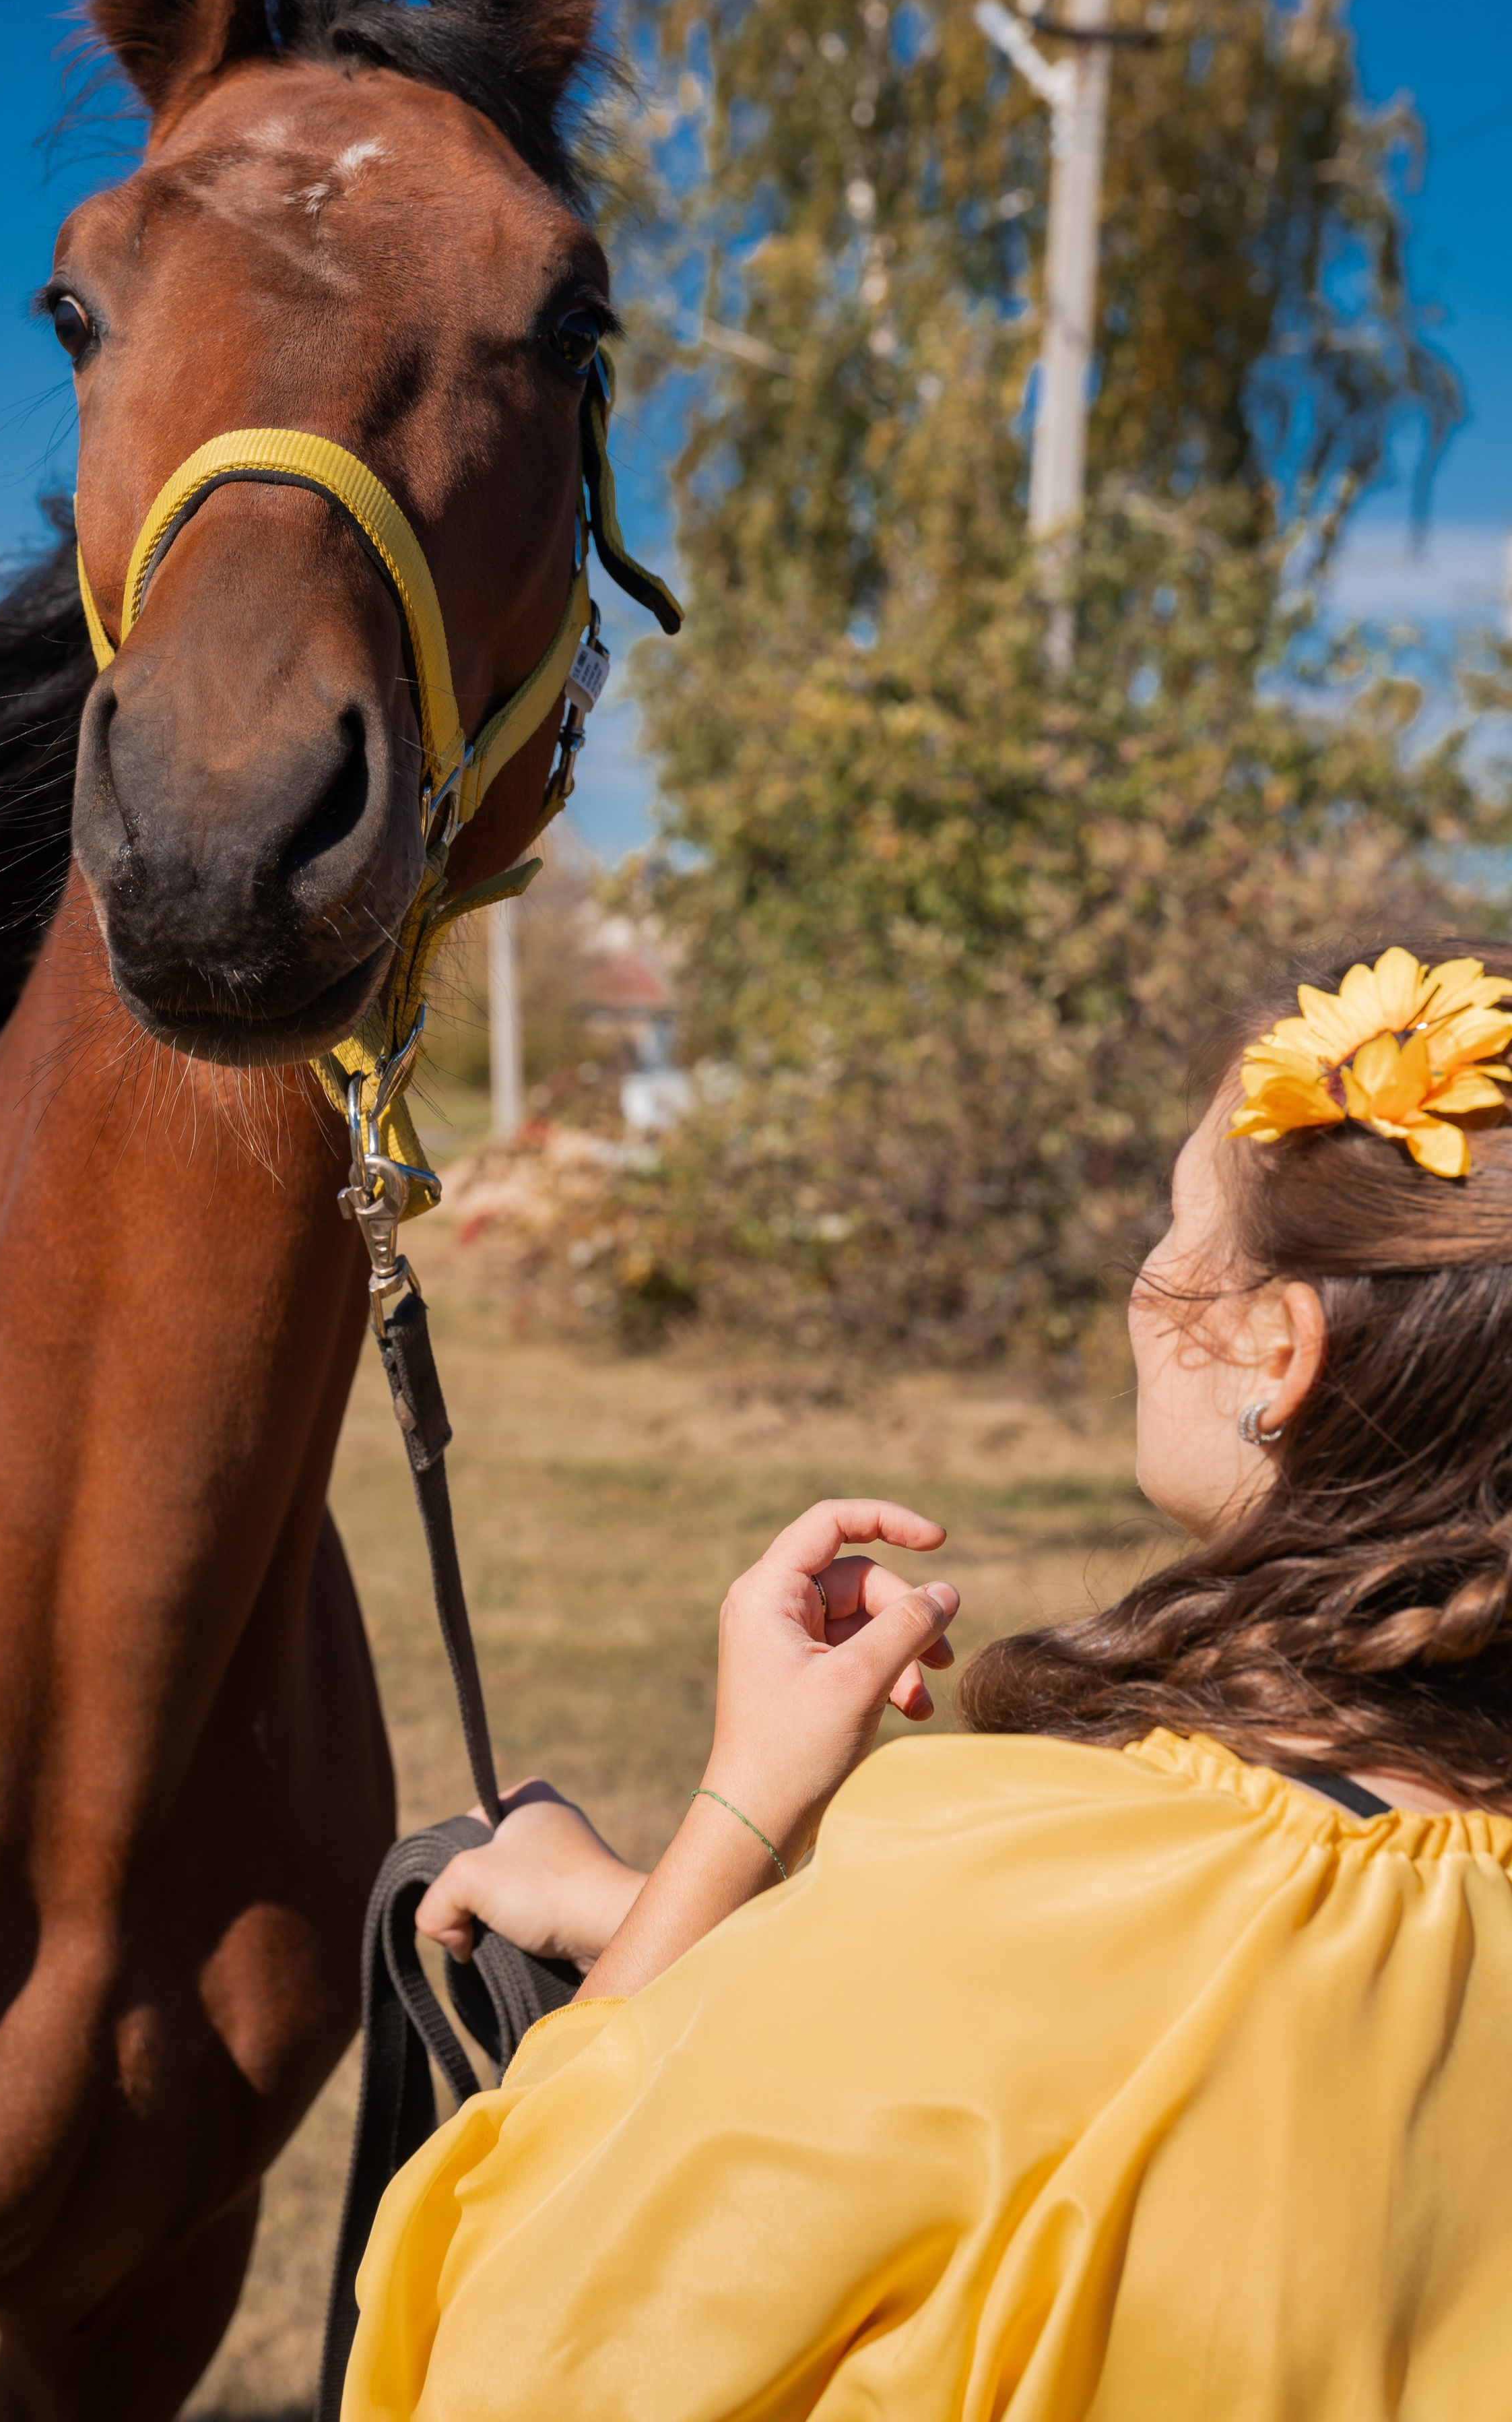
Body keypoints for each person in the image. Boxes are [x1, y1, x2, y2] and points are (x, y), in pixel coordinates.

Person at [341, 942, 1512, 2421]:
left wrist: (736, 1819)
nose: (1141, 1282)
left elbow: (515, 2337)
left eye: (1173, 1224)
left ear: (1278, 1356)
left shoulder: (1002, 1899)